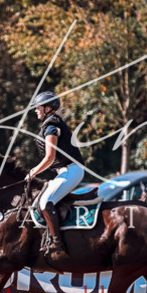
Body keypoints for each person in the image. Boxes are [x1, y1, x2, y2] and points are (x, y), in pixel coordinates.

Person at [26, 91, 85, 254]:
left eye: (38, 107)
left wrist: (33, 172)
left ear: (48, 108)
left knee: (45, 202)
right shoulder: (51, 124)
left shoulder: (52, 127)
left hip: (71, 171)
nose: (36, 110)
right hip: (65, 171)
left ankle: (57, 243)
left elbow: (50, 157)